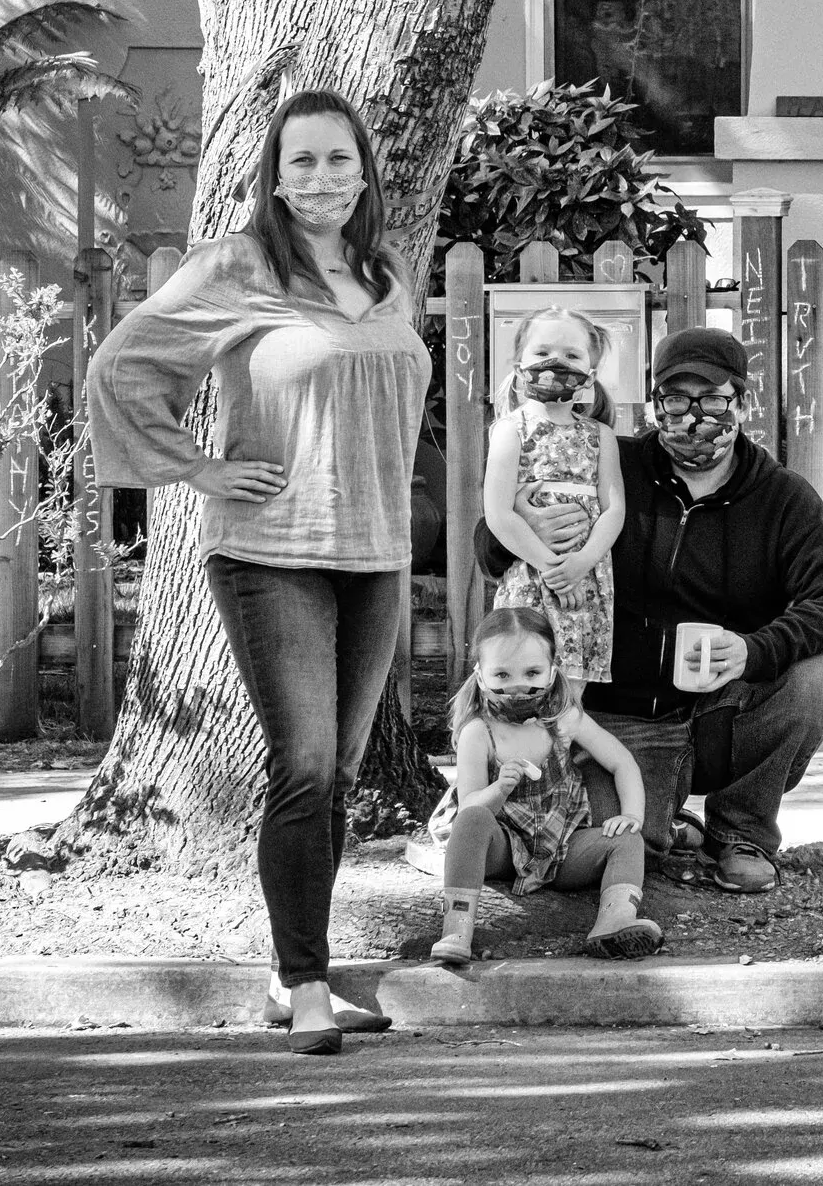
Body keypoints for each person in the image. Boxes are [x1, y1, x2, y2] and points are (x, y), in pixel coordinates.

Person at [90, 88, 428, 1055]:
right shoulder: (236, 266)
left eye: (337, 158)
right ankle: (310, 986)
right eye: (300, 161)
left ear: (363, 170)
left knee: (343, 771)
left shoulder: (388, 271)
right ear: (274, 179)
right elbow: (122, 366)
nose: (320, 177)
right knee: (306, 764)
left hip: (375, 552)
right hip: (269, 550)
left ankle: (291, 972)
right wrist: (198, 468)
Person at [481, 327, 823, 897]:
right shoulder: (614, 463)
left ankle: (743, 833)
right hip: (618, 715)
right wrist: (523, 528)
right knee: (608, 845)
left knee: (810, 680)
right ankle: (669, 821)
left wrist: (754, 649)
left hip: (721, 710)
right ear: (655, 402)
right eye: (676, 399)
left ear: (741, 401)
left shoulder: (781, 495)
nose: (692, 415)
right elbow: (489, 548)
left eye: (712, 399)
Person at [431, 608, 664, 964]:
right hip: (504, 849)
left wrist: (633, 814)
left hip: (564, 847)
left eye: (532, 673)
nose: (518, 686)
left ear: (552, 672)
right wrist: (499, 789)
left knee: (627, 840)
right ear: (480, 676)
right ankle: (456, 930)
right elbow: (471, 805)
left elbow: (621, 761)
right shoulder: (479, 732)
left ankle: (615, 919)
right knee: (471, 822)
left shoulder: (563, 719)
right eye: (502, 674)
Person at [485, 307, 623, 682]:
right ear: (519, 365)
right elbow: (499, 513)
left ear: (590, 374)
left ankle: (566, 725)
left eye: (571, 355)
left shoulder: (600, 436)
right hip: (532, 576)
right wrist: (552, 569)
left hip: (586, 579)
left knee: (573, 685)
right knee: (524, 675)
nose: (556, 363)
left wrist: (582, 563)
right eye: (543, 352)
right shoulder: (510, 431)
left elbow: (614, 509)